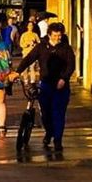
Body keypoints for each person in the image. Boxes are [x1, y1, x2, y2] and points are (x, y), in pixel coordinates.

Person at [10, 21, 76, 153]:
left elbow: (71, 65)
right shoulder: (41, 47)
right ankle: (49, 132)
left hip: (61, 86)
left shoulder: (66, 48)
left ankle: (57, 140)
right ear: (49, 34)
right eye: (55, 35)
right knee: (45, 113)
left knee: (58, 113)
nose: (57, 38)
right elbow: (29, 59)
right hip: (46, 84)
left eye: (59, 35)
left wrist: (64, 78)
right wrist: (18, 72)